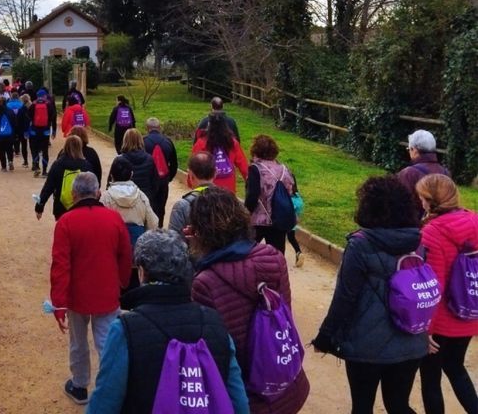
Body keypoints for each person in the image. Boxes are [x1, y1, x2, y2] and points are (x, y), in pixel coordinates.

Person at [87, 229, 250, 413]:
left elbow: (104, 403)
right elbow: (239, 402)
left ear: (141, 272)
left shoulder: (125, 329)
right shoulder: (216, 322)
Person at [312, 176, 428, 414]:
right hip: (411, 338)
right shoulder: (417, 241)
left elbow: (345, 297)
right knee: (399, 405)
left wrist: (325, 337)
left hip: (366, 344)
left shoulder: (360, 244)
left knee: (362, 406)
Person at [190, 187, 310, 414]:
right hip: (285, 381)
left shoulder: (205, 282)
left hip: (247, 395)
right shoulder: (274, 258)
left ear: (200, 231)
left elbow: (213, 353)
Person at [47, 171, 132, 405]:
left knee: (78, 342)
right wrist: (122, 282)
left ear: (74, 195)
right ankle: (111, 389)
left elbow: (60, 266)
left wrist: (59, 303)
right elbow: (125, 255)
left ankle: (80, 385)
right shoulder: (114, 218)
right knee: (106, 341)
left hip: (77, 295)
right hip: (106, 290)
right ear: (98, 192)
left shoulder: (66, 222)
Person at [416, 174, 478, 414]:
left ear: (431, 201)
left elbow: (434, 285)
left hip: (441, 321)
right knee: (455, 367)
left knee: (430, 378)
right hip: (469, 311)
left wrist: (425, 329)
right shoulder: (473, 221)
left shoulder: (432, 232)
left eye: (422, 198)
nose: (420, 202)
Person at [101, 156, 159, 293]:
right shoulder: (141, 196)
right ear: (131, 174)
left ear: (112, 175)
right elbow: (153, 224)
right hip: (135, 254)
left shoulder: (106, 198)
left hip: (113, 255)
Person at [244, 134, 294, 254]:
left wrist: (245, 214)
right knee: (277, 255)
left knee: (246, 253)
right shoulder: (284, 169)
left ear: (255, 150)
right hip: (278, 219)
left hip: (258, 220)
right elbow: (290, 191)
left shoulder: (256, 169)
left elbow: (252, 197)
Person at [35, 136, 92, 220]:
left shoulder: (58, 164)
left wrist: (40, 206)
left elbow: (48, 187)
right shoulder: (86, 166)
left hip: (61, 206)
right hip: (81, 205)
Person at [191, 113, 248, 194]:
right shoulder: (232, 143)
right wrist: (249, 181)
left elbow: (194, 165)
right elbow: (243, 166)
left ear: (209, 125)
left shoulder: (201, 143)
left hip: (206, 190)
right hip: (228, 189)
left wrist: (191, 183)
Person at [397, 130, 450, 216]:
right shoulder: (446, 173)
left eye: (409, 149)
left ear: (414, 150)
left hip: (417, 226)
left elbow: (400, 206)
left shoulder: (408, 174)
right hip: (443, 224)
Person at [168, 152, 215, 242]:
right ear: (215, 172)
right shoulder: (230, 200)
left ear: (190, 175)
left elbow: (174, 244)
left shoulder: (182, 206)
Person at [143, 117, 178, 228]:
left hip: (148, 181)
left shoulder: (143, 142)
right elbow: (174, 164)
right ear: (159, 128)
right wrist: (169, 178)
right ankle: (160, 227)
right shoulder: (168, 142)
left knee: (149, 206)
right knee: (161, 207)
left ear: (147, 128)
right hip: (163, 180)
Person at [111, 129, 158, 204]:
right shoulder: (150, 159)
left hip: (123, 198)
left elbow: (111, 182)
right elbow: (155, 182)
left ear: (124, 141)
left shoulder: (119, 160)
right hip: (144, 198)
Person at [28, 89, 56, 177]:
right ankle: (44, 171)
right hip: (45, 131)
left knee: (35, 149)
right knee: (45, 151)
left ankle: (36, 168)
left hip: (34, 130)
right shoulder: (49, 104)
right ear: (44, 96)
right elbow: (53, 118)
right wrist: (53, 130)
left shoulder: (33, 104)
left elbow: (28, 116)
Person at [0, 97, 17, 171]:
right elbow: (14, 123)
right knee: (9, 149)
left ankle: (3, 167)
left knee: (1, 150)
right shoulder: (10, 111)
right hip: (9, 134)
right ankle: (10, 161)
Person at [10, 93, 30, 168]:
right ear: (18, 98)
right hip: (22, 127)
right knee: (24, 145)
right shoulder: (22, 106)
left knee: (10, 145)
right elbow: (27, 118)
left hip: (12, 128)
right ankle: (25, 161)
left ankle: (10, 160)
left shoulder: (8, 105)